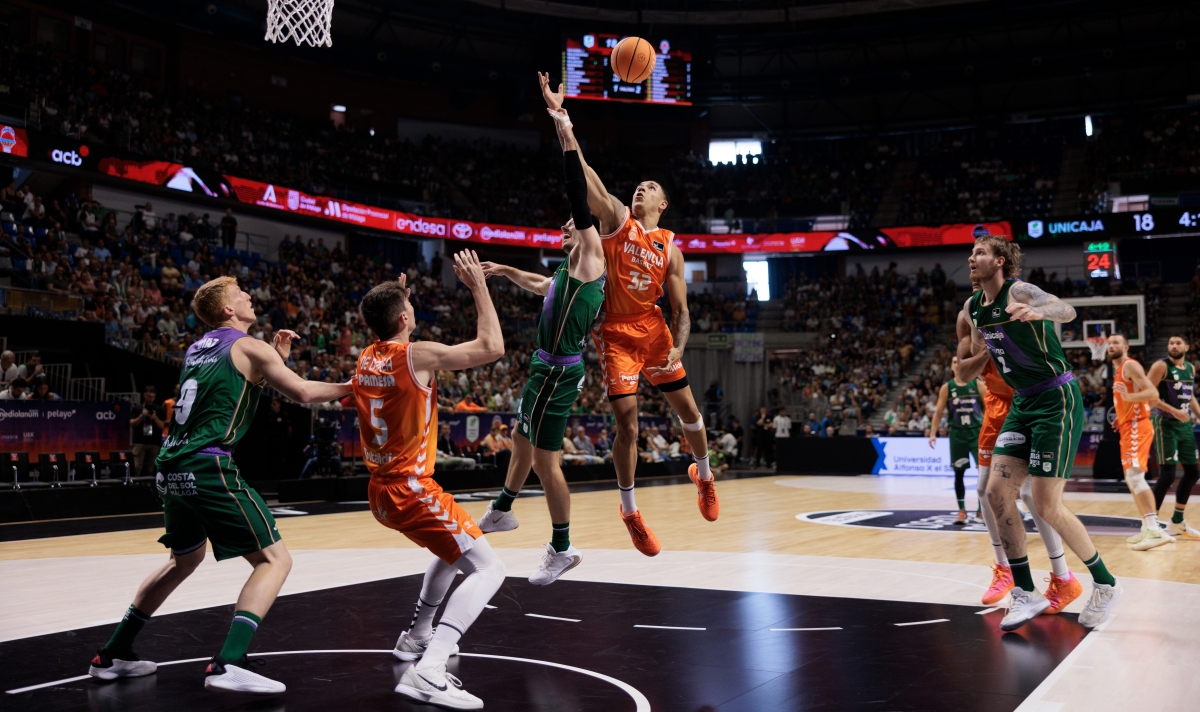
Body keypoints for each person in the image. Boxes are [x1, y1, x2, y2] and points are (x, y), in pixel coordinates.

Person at [88, 276, 351, 693]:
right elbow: (302, 392)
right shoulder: (250, 347)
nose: (249, 296)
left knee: (184, 560)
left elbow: (231, 387)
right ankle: (228, 662)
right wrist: (355, 386)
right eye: (240, 294)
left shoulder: (198, 348)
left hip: (170, 465)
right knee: (275, 560)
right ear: (229, 309)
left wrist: (274, 360)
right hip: (206, 465)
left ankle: (112, 653)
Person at [540, 73, 718, 557]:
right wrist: (562, 119)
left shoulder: (671, 249)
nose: (642, 188)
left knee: (690, 414)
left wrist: (679, 348)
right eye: (639, 185)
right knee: (629, 425)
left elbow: (682, 312)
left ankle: (704, 476)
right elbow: (585, 176)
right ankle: (630, 511)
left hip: (655, 332)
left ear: (663, 204)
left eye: (651, 187)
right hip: (616, 335)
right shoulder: (617, 219)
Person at [352, 251, 506, 708]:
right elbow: (492, 347)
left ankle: (417, 636)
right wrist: (478, 286)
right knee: (490, 569)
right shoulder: (417, 356)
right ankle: (430, 668)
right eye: (410, 307)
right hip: (411, 488)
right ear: (404, 318)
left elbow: (386, 325)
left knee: (451, 548)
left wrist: (397, 298)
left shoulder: (367, 356)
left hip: (381, 491)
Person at [961, 235, 1119, 632]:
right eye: (972, 253)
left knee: (1047, 505)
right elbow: (983, 347)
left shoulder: (1019, 291)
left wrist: (1037, 312)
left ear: (999, 261)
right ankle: (1025, 591)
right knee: (995, 492)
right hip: (1021, 402)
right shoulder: (971, 307)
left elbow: (1066, 309)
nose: (971, 258)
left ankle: (1105, 583)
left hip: (1055, 398)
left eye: (980, 252)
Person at [476, 105, 606, 584]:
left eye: (572, 223)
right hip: (547, 368)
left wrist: (564, 128)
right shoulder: (568, 272)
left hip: (556, 371)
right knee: (521, 439)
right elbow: (540, 285)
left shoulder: (591, 257)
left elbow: (577, 192)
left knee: (546, 462)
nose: (565, 227)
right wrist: (504, 270)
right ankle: (503, 508)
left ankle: (562, 548)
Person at [957, 306, 1078, 613]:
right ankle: (1004, 569)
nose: (977, 285)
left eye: (980, 253)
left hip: (1032, 399)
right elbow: (962, 374)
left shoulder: (1016, 304)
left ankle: (1062, 575)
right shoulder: (968, 315)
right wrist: (987, 348)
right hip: (997, 405)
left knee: (1030, 494)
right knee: (984, 491)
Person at [1106, 333, 1174, 551]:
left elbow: (1152, 393)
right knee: (1131, 479)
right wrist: (1121, 416)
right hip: (1128, 425)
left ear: (1126, 347)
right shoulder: (1119, 370)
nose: (1111, 345)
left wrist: (1129, 399)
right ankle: (1147, 527)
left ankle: (1154, 529)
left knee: (1135, 477)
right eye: (1109, 343)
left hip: (1138, 426)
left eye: (1116, 342)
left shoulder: (1130, 365)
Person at [1146, 335, 1200, 538]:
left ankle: (1177, 521)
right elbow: (1148, 395)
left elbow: (1189, 396)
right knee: (1168, 474)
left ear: (1186, 346)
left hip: (1184, 425)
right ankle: (1150, 526)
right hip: (1165, 423)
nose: (1174, 346)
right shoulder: (1161, 366)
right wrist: (1174, 411)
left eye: (1178, 343)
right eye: (1171, 343)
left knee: (1193, 472)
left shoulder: (1190, 368)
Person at [927, 356, 984, 524]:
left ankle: (981, 510)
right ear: (951, 367)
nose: (957, 364)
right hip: (957, 434)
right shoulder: (947, 387)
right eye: (954, 362)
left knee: (983, 473)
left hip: (977, 433)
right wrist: (932, 433)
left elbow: (990, 409)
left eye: (960, 361)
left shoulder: (977, 384)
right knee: (959, 473)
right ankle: (962, 511)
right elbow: (938, 412)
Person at [129, 386, 166, 479]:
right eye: (149, 396)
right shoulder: (137, 408)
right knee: (137, 467)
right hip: (139, 442)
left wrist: (155, 418)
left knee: (150, 468)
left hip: (154, 443)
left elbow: (162, 426)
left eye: (153, 397)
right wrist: (142, 416)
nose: (151, 399)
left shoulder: (159, 409)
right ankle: (135, 485)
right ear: (144, 395)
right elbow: (132, 423)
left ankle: (148, 485)